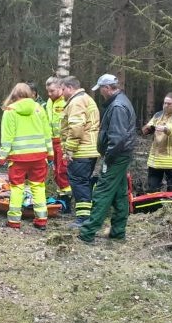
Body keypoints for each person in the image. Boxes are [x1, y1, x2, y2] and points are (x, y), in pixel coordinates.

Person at [79, 74, 137, 244]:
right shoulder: (120, 101)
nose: (100, 94)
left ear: (107, 88)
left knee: (102, 192)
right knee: (119, 194)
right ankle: (118, 232)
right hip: (121, 155)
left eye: (101, 90)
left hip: (116, 156)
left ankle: (88, 232)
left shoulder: (118, 106)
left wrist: (108, 157)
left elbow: (117, 137)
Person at [0, 83, 53, 230]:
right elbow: (47, 133)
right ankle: (41, 220)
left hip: (18, 158)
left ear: (14, 95)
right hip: (39, 156)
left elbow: (7, 138)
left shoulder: (10, 111)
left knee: (17, 188)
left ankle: (14, 221)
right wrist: (51, 153)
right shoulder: (39, 109)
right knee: (38, 187)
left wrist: (2, 157)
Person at [60, 76, 100, 227]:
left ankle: (83, 218)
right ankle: (86, 215)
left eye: (63, 89)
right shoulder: (85, 99)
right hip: (89, 148)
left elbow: (76, 128)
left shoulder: (76, 102)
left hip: (81, 150)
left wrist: (69, 149)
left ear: (70, 88)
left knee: (79, 183)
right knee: (83, 182)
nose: (62, 93)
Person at [142, 92, 172, 193]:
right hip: (156, 160)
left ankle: (171, 208)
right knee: (152, 189)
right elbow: (148, 126)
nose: (166, 105)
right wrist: (147, 129)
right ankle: (154, 208)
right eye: (164, 103)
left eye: (169, 103)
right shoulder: (158, 115)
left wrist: (166, 129)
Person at [44, 76, 73, 211]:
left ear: (61, 89)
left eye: (52, 91)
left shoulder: (66, 101)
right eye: (48, 91)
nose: (50, 94)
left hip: (63, 141)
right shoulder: (49, 102)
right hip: (52, 141)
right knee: (56, 171)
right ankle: (61, 195)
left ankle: (67, 199)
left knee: (63, 170)